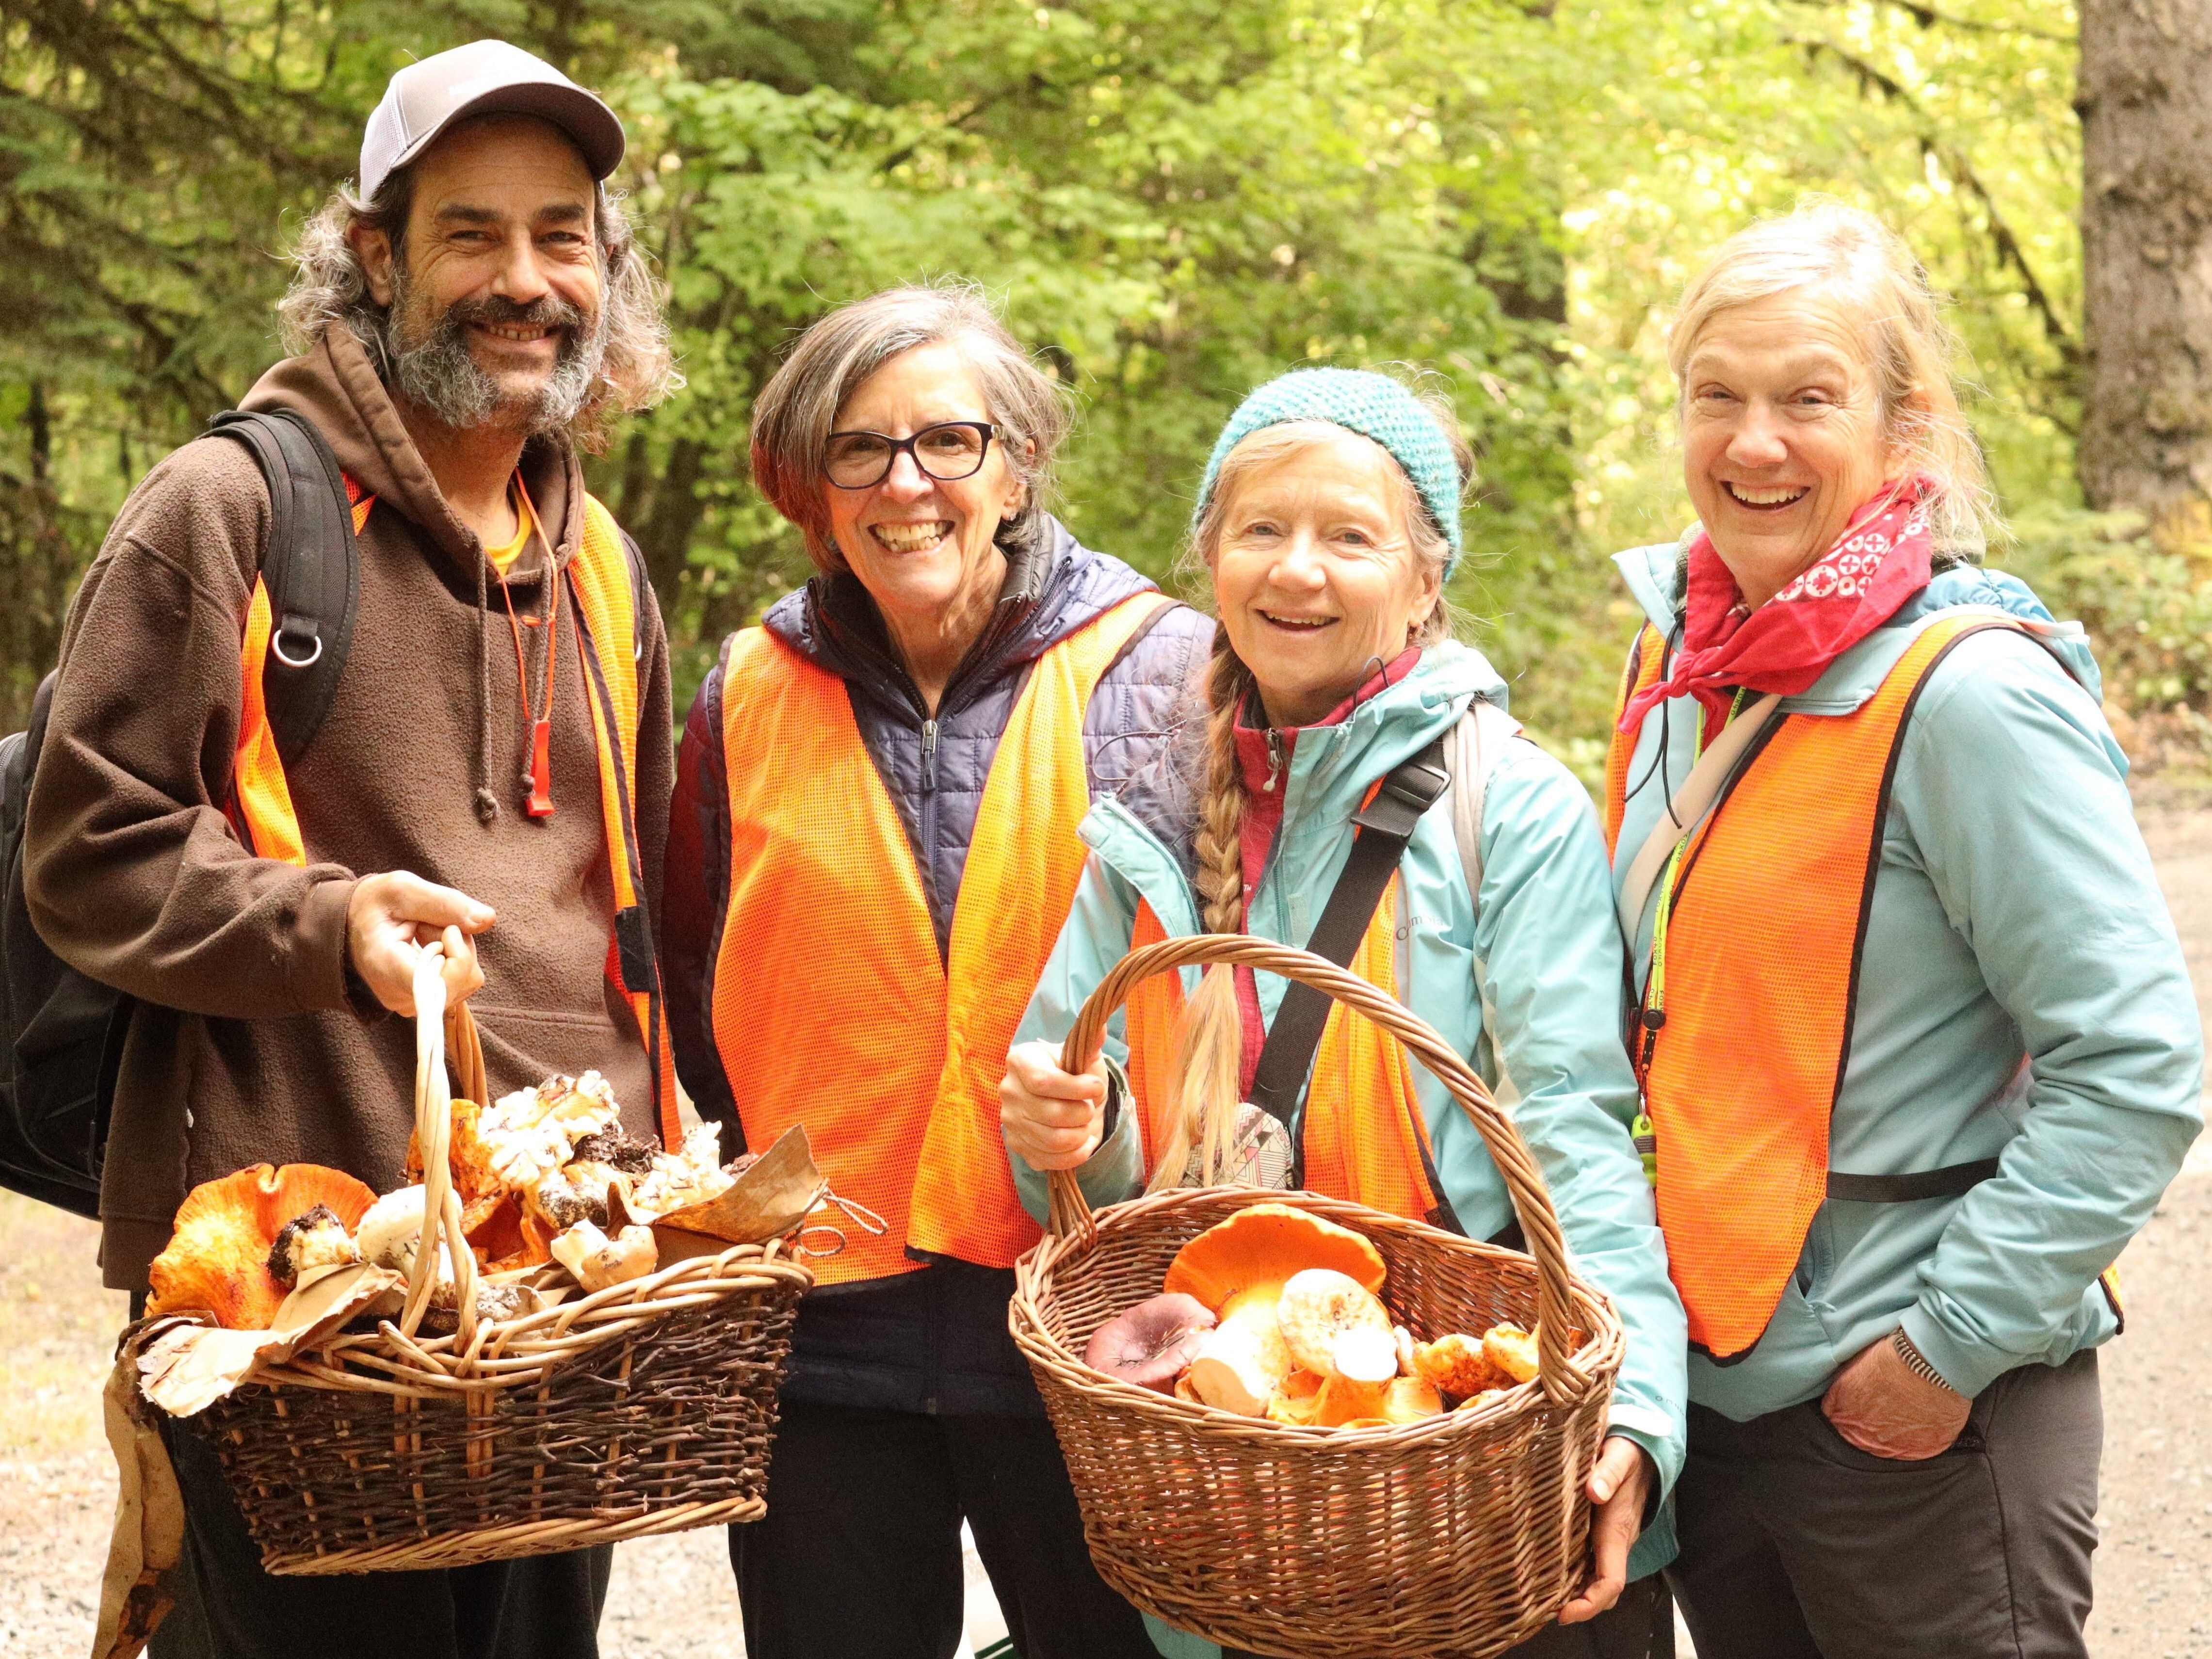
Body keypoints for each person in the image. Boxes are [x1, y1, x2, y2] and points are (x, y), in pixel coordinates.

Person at [24, 40, 678, 1659]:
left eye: (561, 235)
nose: (522, 280)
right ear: (375, 255)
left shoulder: (598, 560)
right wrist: (328, 923)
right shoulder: (226, 513)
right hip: (293, 1283)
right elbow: (91, 848)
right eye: (471, 234)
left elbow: (634, 916)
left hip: (551, 1299)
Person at [999, 368, 1689, 1659]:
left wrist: (1634, 1408)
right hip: (1236, 1480)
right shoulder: (1141, 823)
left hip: (1458, 1462)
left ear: (1424, 579)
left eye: (1348, 535)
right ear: (1210, 557)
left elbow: (1573, 1138)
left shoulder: (1504, 806)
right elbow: (1077, 1182)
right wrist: (1061, 1128)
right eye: (1261, 529)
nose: (1296, 570)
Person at [1601, 202, 2204, 1659]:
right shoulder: (1677, 665)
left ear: (1903, 424)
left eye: (1807, 399)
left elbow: (2133, 1067)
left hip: (1915, 1417)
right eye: (1718, 397)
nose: (1754, 444)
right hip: (1719, 1392)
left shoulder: (1971, 697)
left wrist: (1941, 1351)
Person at [661, 282, 1211, 1659]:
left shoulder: (1163, 665)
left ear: (1014, 464)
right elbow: (687, 981)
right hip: (821, 1331)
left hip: (1090, 1327)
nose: (906, 483)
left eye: (949, 441)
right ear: (809, 486)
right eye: (859, 448)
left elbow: (1235, 992)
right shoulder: (744, 689)